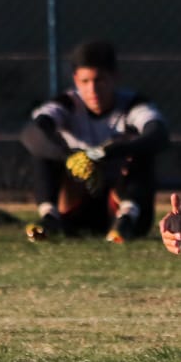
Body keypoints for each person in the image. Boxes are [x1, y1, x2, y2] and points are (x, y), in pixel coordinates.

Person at [21, 40, 170, 243]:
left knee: (142, 152)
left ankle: (126, 220)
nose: (92, 89)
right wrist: (70, 157)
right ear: (75, 80)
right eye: (85, 81)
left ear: (114, 77)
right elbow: (31, 133)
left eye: (100, 80)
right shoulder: (67, 103)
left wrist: (106, 153)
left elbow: (158, 135)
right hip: (77, 202)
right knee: (42, 151)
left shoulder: (133, 104)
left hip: (118, 203)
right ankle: (49, 217)